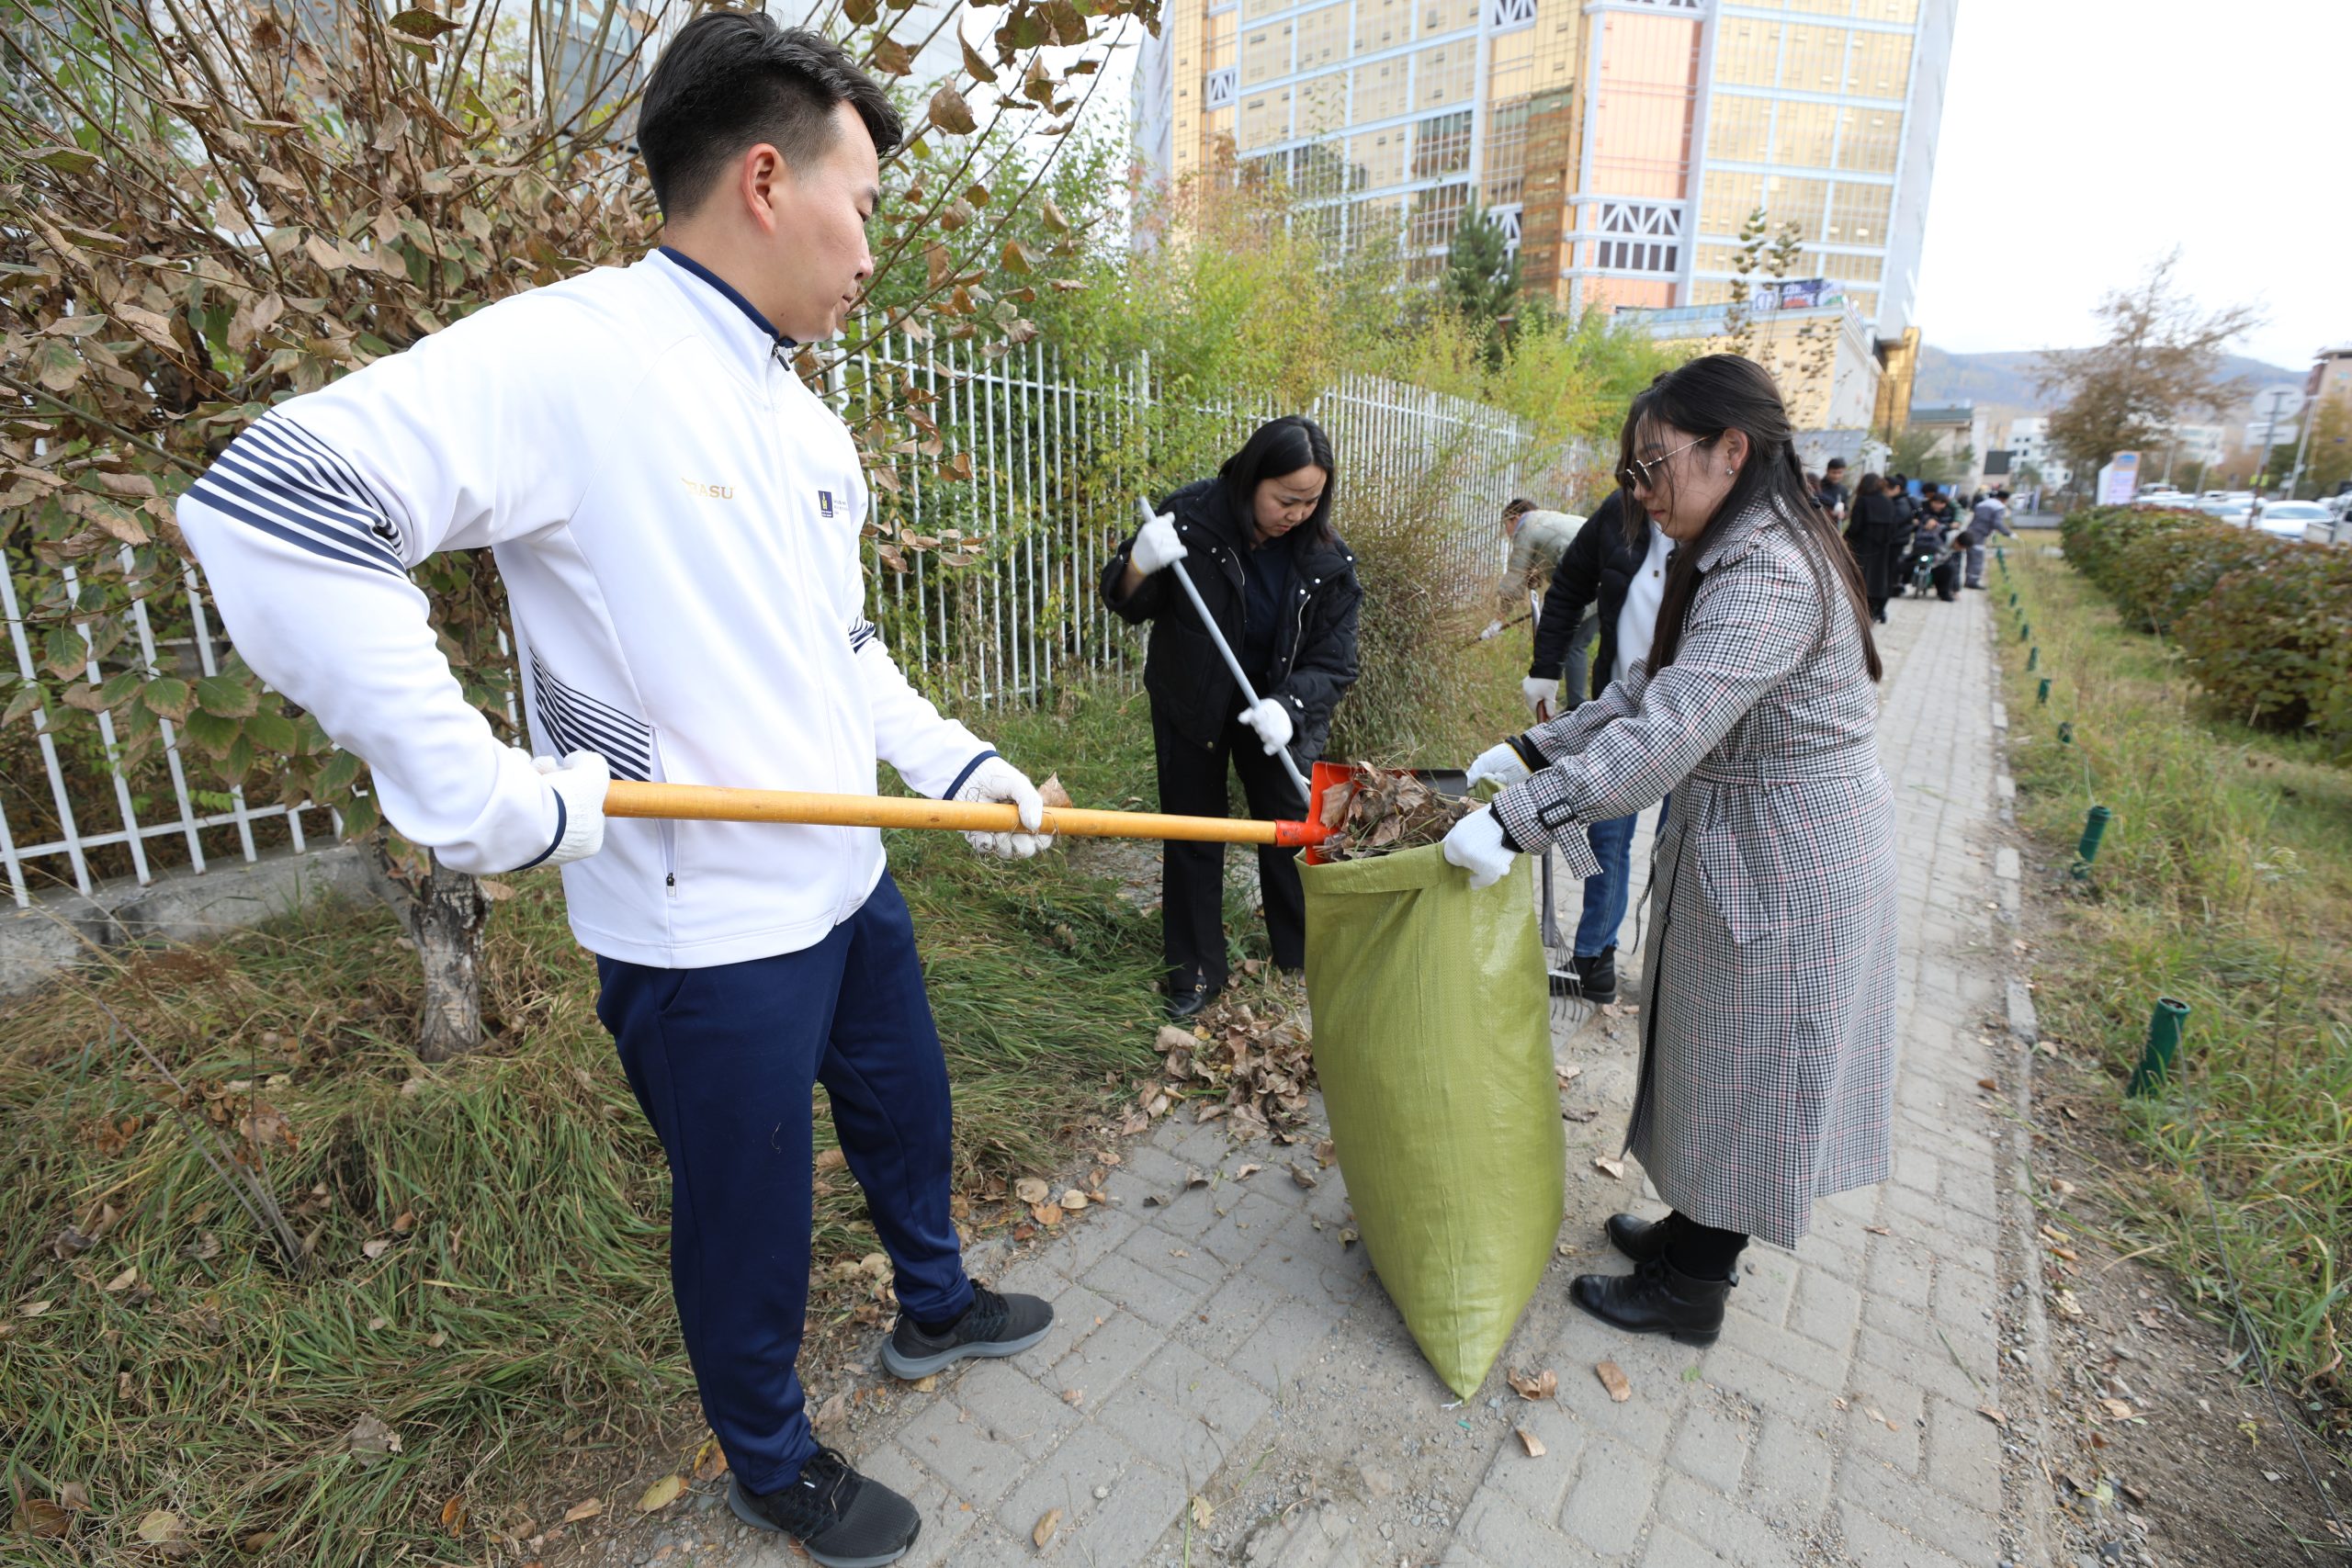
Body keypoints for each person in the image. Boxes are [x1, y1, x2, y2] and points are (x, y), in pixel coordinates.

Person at [174, 19, 1059, 1564]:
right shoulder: (577, 355)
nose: (872, 252)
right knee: (749, 1222)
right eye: (864, 205)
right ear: (767, 179)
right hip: (701, 929)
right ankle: (771, 1459)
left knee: (908, 1110)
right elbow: (270, 505)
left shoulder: (802, 414)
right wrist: (474, 791)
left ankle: (936, 1302)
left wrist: (959, 762)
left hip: (849, 882)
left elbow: (835, 643)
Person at [1440, 354, 1899, 1347]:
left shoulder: (1769, 571)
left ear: (1730, 451)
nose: (1640, 494)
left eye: (1652, 468)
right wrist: (1529, 746)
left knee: (1748, 1063)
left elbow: (1664, 737)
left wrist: (1516, 822)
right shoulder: (1735, 548)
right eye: (1629, 475)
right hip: (1751, 837)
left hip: (1787, 856)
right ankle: (1692, 1236)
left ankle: (1693, 1287)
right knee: (1712, 1047)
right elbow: (1644, 688)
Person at [1102, 416, 1362, 1021]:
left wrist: (1290, 707)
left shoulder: (1327, 561)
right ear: (1251, 479)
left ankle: (1303, 956)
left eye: (1312, 500)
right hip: (1192, 701)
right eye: (1286, 498)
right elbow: (1128, 601)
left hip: (1275, 710)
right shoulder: (1191, 518)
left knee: (1292, 830)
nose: (1297, 512)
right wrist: (1140, 561)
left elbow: (1335, 661)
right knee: (1195, 833)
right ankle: (1194, 973)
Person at [1519, 489, 1671, 1004]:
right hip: (1619, 700)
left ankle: (1673, 975)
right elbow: (1566, 589)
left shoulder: (1728, 524)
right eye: (1635, 468)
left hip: (1701, 714)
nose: (1645, 484)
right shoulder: (1619, 512)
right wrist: (1545, 669)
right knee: (1607, 836)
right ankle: (1594, 960)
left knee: (1680, 844)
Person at [1483, 498, 1584, 640]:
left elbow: (1514, 580)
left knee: (1559, 642)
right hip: (1609, 571)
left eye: (1506, 525)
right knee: (1579, 644)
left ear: (1516, 518)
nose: (1507, 532)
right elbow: (1552, 551)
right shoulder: (1549, 519)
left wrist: (1498, 620)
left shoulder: (1526, 529)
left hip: (1583, 580)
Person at [1844, 472, 1902, 624]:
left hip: (1862, 547)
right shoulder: (1889, 503)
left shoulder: (1863, 501)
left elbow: (1855, 527)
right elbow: (1894, 528)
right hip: (1883, 549)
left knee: (1859, 578)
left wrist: (1844, 539)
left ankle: (1856, 612)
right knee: (1878, 578)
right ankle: (1875, 611)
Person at [1962, 486, 2015, 588]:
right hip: (1980, 535)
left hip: (1971, 531)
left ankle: (1968, 579)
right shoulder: (1999, 507)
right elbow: (1997, 523)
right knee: (1977, 559)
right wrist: (2009, 533)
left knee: (1970, 557)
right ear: (2005, 499)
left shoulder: (1983, 503)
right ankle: (1972, 582)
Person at [1815, 457, 1849, 524]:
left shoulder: (1843, 490)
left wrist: (1843, 514)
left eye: (1839, 473)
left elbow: (1846, 509)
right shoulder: (1818, 485)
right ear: (1827, 470)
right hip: (1817, 524)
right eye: (1834, 472)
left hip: (1833, 527)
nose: (1836, 476)